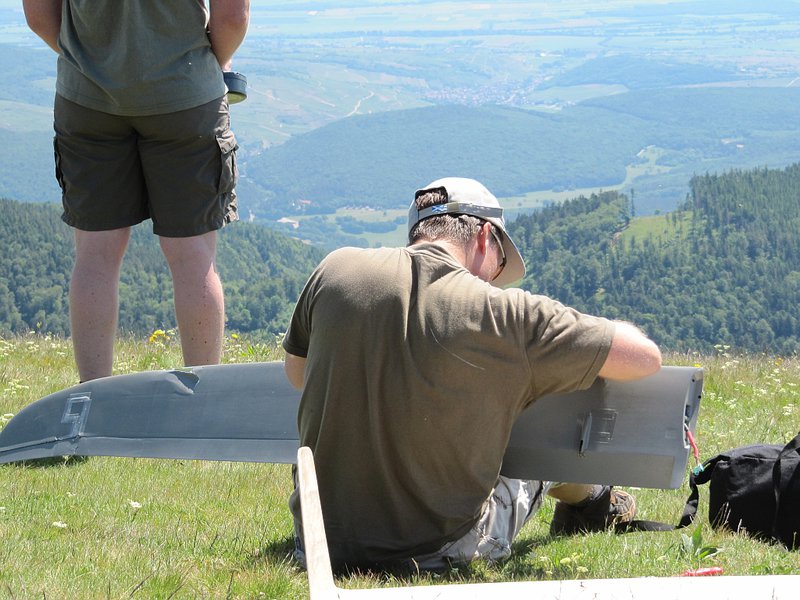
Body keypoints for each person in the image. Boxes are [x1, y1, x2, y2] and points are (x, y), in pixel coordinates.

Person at [282, 177, 662, 572]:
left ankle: (593, 502)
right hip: (435, 549)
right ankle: (593, 503)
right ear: (484, 236)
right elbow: (644, 357)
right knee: (539, 461)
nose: (492, 280)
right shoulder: (508, 315)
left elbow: (298, 374)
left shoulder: (335, 269)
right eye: (499, 264)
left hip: (318, 541)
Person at [22, 0, 250, 382]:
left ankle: (93, 403)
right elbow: (232, 17)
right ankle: (200, 403)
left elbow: (38, 15)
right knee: (193, 259)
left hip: (87, 98)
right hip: (186, 96)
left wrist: (93, 60)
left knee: (95, 256)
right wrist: (212, 64)